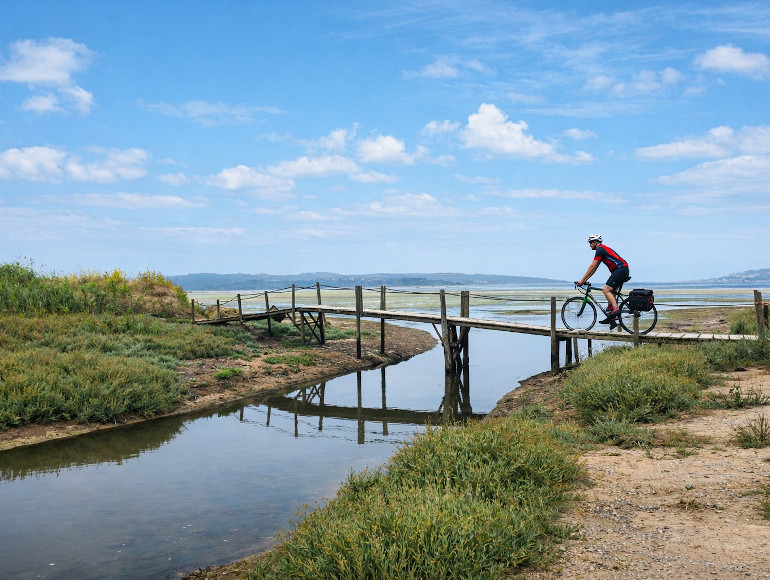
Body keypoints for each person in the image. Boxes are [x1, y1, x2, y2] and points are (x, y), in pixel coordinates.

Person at [575, 234, 630, 324]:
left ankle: (616, 310)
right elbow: (594, 269)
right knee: (611, 292)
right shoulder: (602, 249)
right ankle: (611, 318)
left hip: (621, 269)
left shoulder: (600, 250)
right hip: (622, 270)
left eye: (590, 243)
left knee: (606, 289)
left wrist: (582, 281)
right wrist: (584, 280)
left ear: (595, 243)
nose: (590, 245)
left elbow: (592, 267)